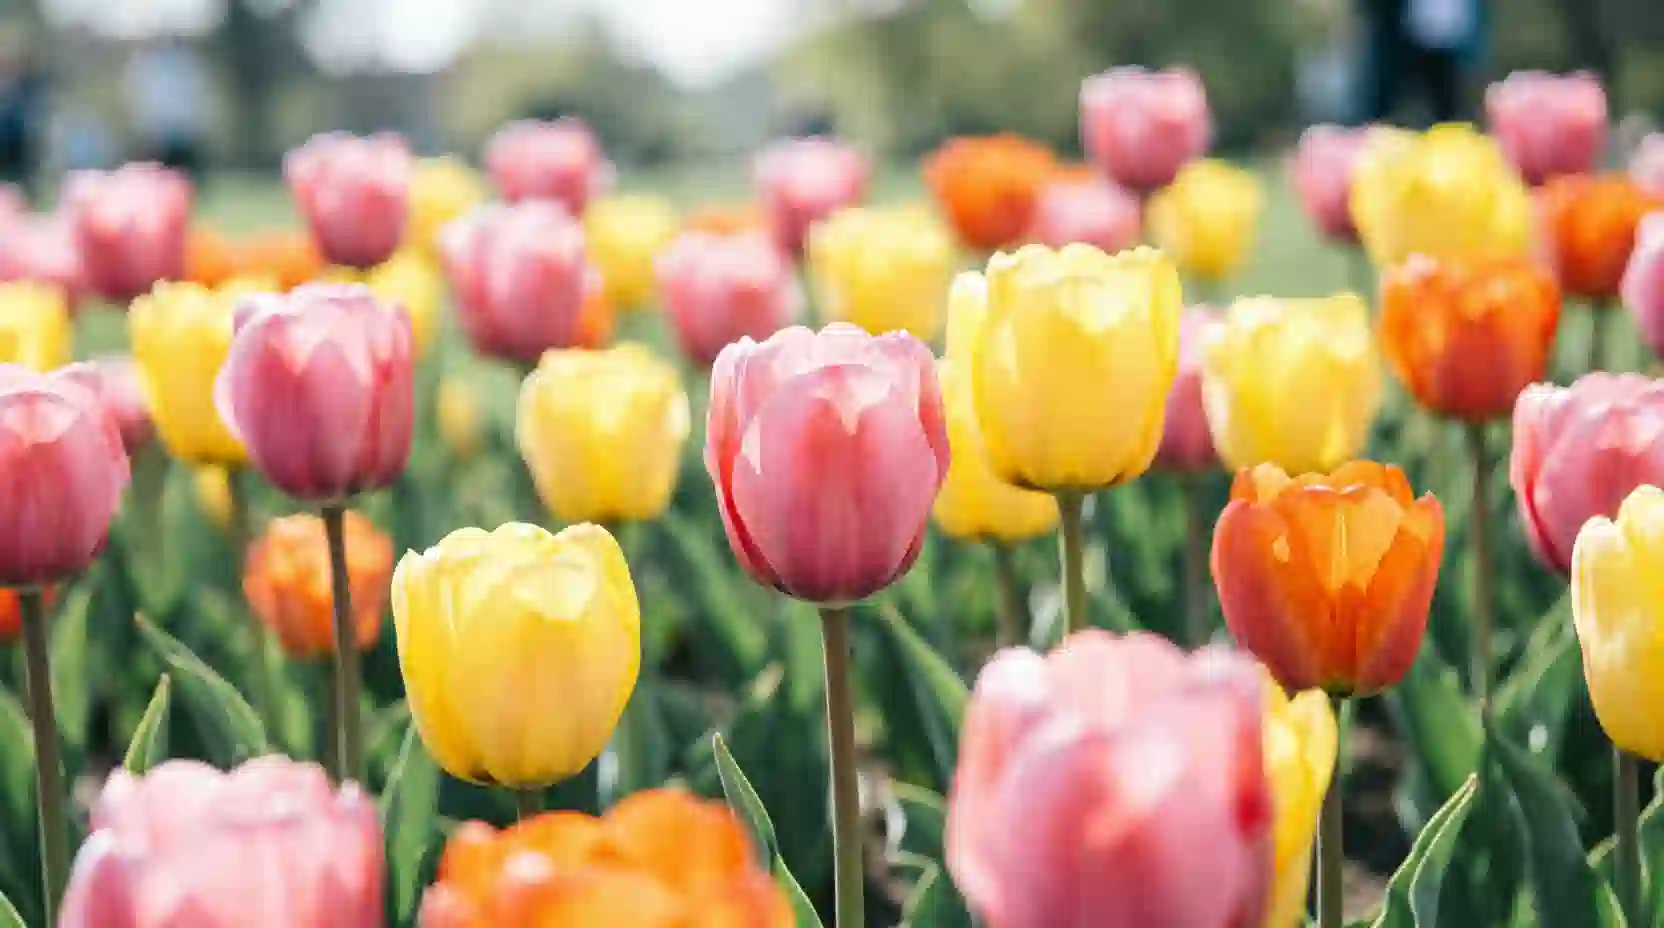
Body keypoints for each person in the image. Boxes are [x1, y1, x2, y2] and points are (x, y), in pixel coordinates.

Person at [124, 39, 213, 176]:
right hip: (160, 134)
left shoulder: (186, 63)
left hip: (183, 133)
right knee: (162, 179)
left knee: (184, 178)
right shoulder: (151, 64)